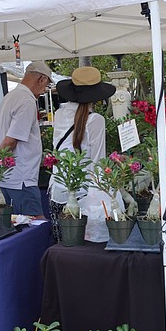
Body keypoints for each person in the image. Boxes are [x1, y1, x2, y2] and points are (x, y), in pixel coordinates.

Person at [48, 67, 116, 243]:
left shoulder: (59, 114)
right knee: (85, 248)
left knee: (63, 245)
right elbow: (98, 162)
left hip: (57, 188)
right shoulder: (95, 120)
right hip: (83, 194)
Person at [0, 60, 53, 216]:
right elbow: (11, 141)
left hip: (7, 178)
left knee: (14, 223)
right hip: (22, 178)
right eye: (47, 85)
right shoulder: (26, 101)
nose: (45, 90)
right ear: (41, 79)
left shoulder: (9, 97)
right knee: (35, 222)